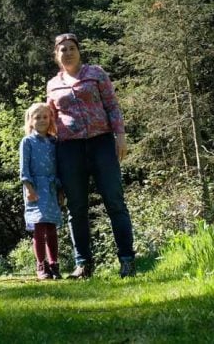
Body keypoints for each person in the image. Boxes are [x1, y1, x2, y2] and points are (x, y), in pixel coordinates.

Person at [47, 32, 136, 279]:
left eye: (71, 48)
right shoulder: (53, 85)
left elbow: (112, 106)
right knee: (77, 208)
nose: (67, 52)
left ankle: (127, 259)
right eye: (62, 49)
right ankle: (83, 264)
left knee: (114, 201)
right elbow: (51, 122)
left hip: (101, 144)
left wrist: (120, 136)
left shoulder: (96, 74)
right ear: (57, 55)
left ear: (79, 51)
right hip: (69, 149)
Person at [19, 102, 64, 280]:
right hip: (35, 188)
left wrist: (61, 190)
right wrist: (29, 188)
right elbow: (24, 168)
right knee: (39, 227)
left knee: (51, 227)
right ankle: (41, 265)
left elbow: (59, 167)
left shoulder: (54, 142)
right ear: (30, 121)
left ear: (50, 118)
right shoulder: (27, 142)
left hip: (52, 188)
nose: (42, 120)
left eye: (45, 117)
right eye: (37, 117)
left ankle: (54, 264)